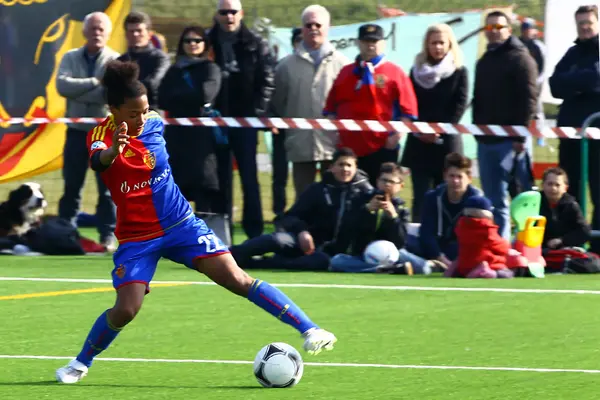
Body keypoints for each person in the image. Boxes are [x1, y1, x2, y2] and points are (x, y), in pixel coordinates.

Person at [55, 60, 337, 384]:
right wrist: (111, 153)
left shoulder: (154, 124)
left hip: (181, 225)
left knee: (237, 278)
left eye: (144, 110)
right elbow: (97, 160)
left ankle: (310, 329)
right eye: (133, 113)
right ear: (113, 109)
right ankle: (80, 363)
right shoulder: (100, 136)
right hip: (138, 237)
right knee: (126, 309)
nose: (140, 118)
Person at [323, 23, 418, 186]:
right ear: (358, 43)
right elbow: (331, 107)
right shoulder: (346, 72)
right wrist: (333, 135)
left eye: (375, 41)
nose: (370, 45)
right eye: (366, 41)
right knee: (348, 195)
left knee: (382, 194)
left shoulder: (395, 73)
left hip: (382, 147)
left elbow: (408, 110)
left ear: (383, 43)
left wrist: (396, 136)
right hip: (349, 149)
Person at [271, 4, 349, 199]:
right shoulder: (285, 66)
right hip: (300, 143)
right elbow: (279, 102)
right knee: (304, 198)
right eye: (308, 25)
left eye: (318, 24)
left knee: (333, 197)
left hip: (333, 144)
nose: (313, 28)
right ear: (302, 28)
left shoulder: (343, 64)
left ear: (328, 27)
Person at [55, 11, 118, 251]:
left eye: (101, 28)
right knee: (71, 185)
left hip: (104, 134)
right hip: (76, 132)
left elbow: (109, 93)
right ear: (84, 31)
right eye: (92, 28)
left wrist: (79, 89)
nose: (97, 32)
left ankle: (107, 235)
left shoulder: (115, 59)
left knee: (107, 189)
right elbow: (62, 86)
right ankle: (65, 232)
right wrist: (94, 82)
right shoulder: (69, 57)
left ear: (108, 32)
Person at [472, 10, 538, 240]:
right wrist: (477, 131)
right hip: (487, 139)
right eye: (489, 28)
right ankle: (498, 249)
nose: (494, 32)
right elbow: (477, 97)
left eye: (499, 27)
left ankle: (524, 248)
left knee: (521, 199)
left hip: (512, 141)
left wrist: (520, 136)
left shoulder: (521, 58)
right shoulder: (484, 61)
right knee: (493, 200)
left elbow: (529, 99)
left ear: (509, 29)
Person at [401, 23, 468, 222]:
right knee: (420, 197)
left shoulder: (459, 71)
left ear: (449, 44)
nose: (437, 47)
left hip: (446, 144)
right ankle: (416, 239)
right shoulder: (415, 71)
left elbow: (460, 103)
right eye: (433, 43)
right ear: (426, 45)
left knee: (448, 195)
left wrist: (439, 131)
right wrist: (420, 130)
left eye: (441, 43)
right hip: (418, 143)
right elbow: (409, 102)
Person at [549, 5, 600, 252]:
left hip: (596, 138)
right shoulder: (572, 53)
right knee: (570, 194)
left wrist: (575, 82)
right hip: (570, 137)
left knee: (598, 193)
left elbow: (596, 77)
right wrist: (583, 82)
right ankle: (572, 246)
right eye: (580, 23)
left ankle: (598, 249)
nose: (585, 27)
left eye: (589, 22)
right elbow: (554, 86)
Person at [158, 26, 221, 213]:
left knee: (204, 189)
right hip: (176, 138)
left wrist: (177, 96)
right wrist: (188, 96)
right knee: (176, 191)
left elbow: (206, 95)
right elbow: (162, 98)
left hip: (202, 138)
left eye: (197, 40)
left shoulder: (211, 68)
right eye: (188, 40)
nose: (192, 44)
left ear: (205, 44)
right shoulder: (174, 69)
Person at [417, 152, 482, 266]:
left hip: (463, 249)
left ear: (469, 178)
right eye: (451, 176)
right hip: (437, 250)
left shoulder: (477, 201)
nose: (455, 181)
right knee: (412, 241)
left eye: (459, 177)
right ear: (445, 176)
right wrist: (441, 258)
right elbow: (426, 232)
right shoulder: (432, 197)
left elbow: (480, 236)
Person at [447, 195, 515, 279]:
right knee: (506, 274)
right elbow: (501, 246)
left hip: (465, 265)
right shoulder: (487, 230)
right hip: (484, 262)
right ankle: (483, 271)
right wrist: (508, 247)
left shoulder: (461, 226)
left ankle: (456, 269)